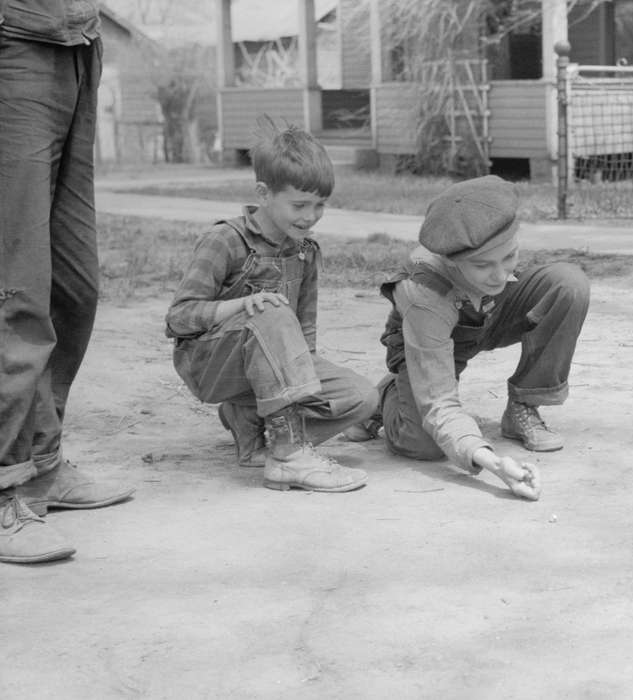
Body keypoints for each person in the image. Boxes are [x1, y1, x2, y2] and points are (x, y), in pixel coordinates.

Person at [165, 120, 376, 493]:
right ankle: (289, 455)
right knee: (272, 312)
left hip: (272, 369)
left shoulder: (306, 252)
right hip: (209, 365)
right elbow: (179, 318)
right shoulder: (225, 239)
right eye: (299, 204)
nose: (310, 217)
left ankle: (253, 431)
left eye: (320, 205)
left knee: (361, 398)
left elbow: (305, 337)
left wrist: (307, 385)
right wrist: (243, 306)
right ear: (264, 193)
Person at [349, 175, 590, 501]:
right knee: (423, 444)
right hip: (429, 339)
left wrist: (496, 273)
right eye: (483, 265)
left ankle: (524, 405)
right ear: (450, 260)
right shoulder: (424, 294)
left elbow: (502, 273)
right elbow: (440, 406)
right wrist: (493, 463)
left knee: (568, 285)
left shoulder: (495, 256)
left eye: (509, 256)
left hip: (488, 315)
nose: (500, 274)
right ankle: (388, 396)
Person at [0, 0, 135, 564]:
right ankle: (8, 487)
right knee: (19, 292)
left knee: (75, 289)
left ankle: (44, 465)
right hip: (16, 48)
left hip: (78, 47)